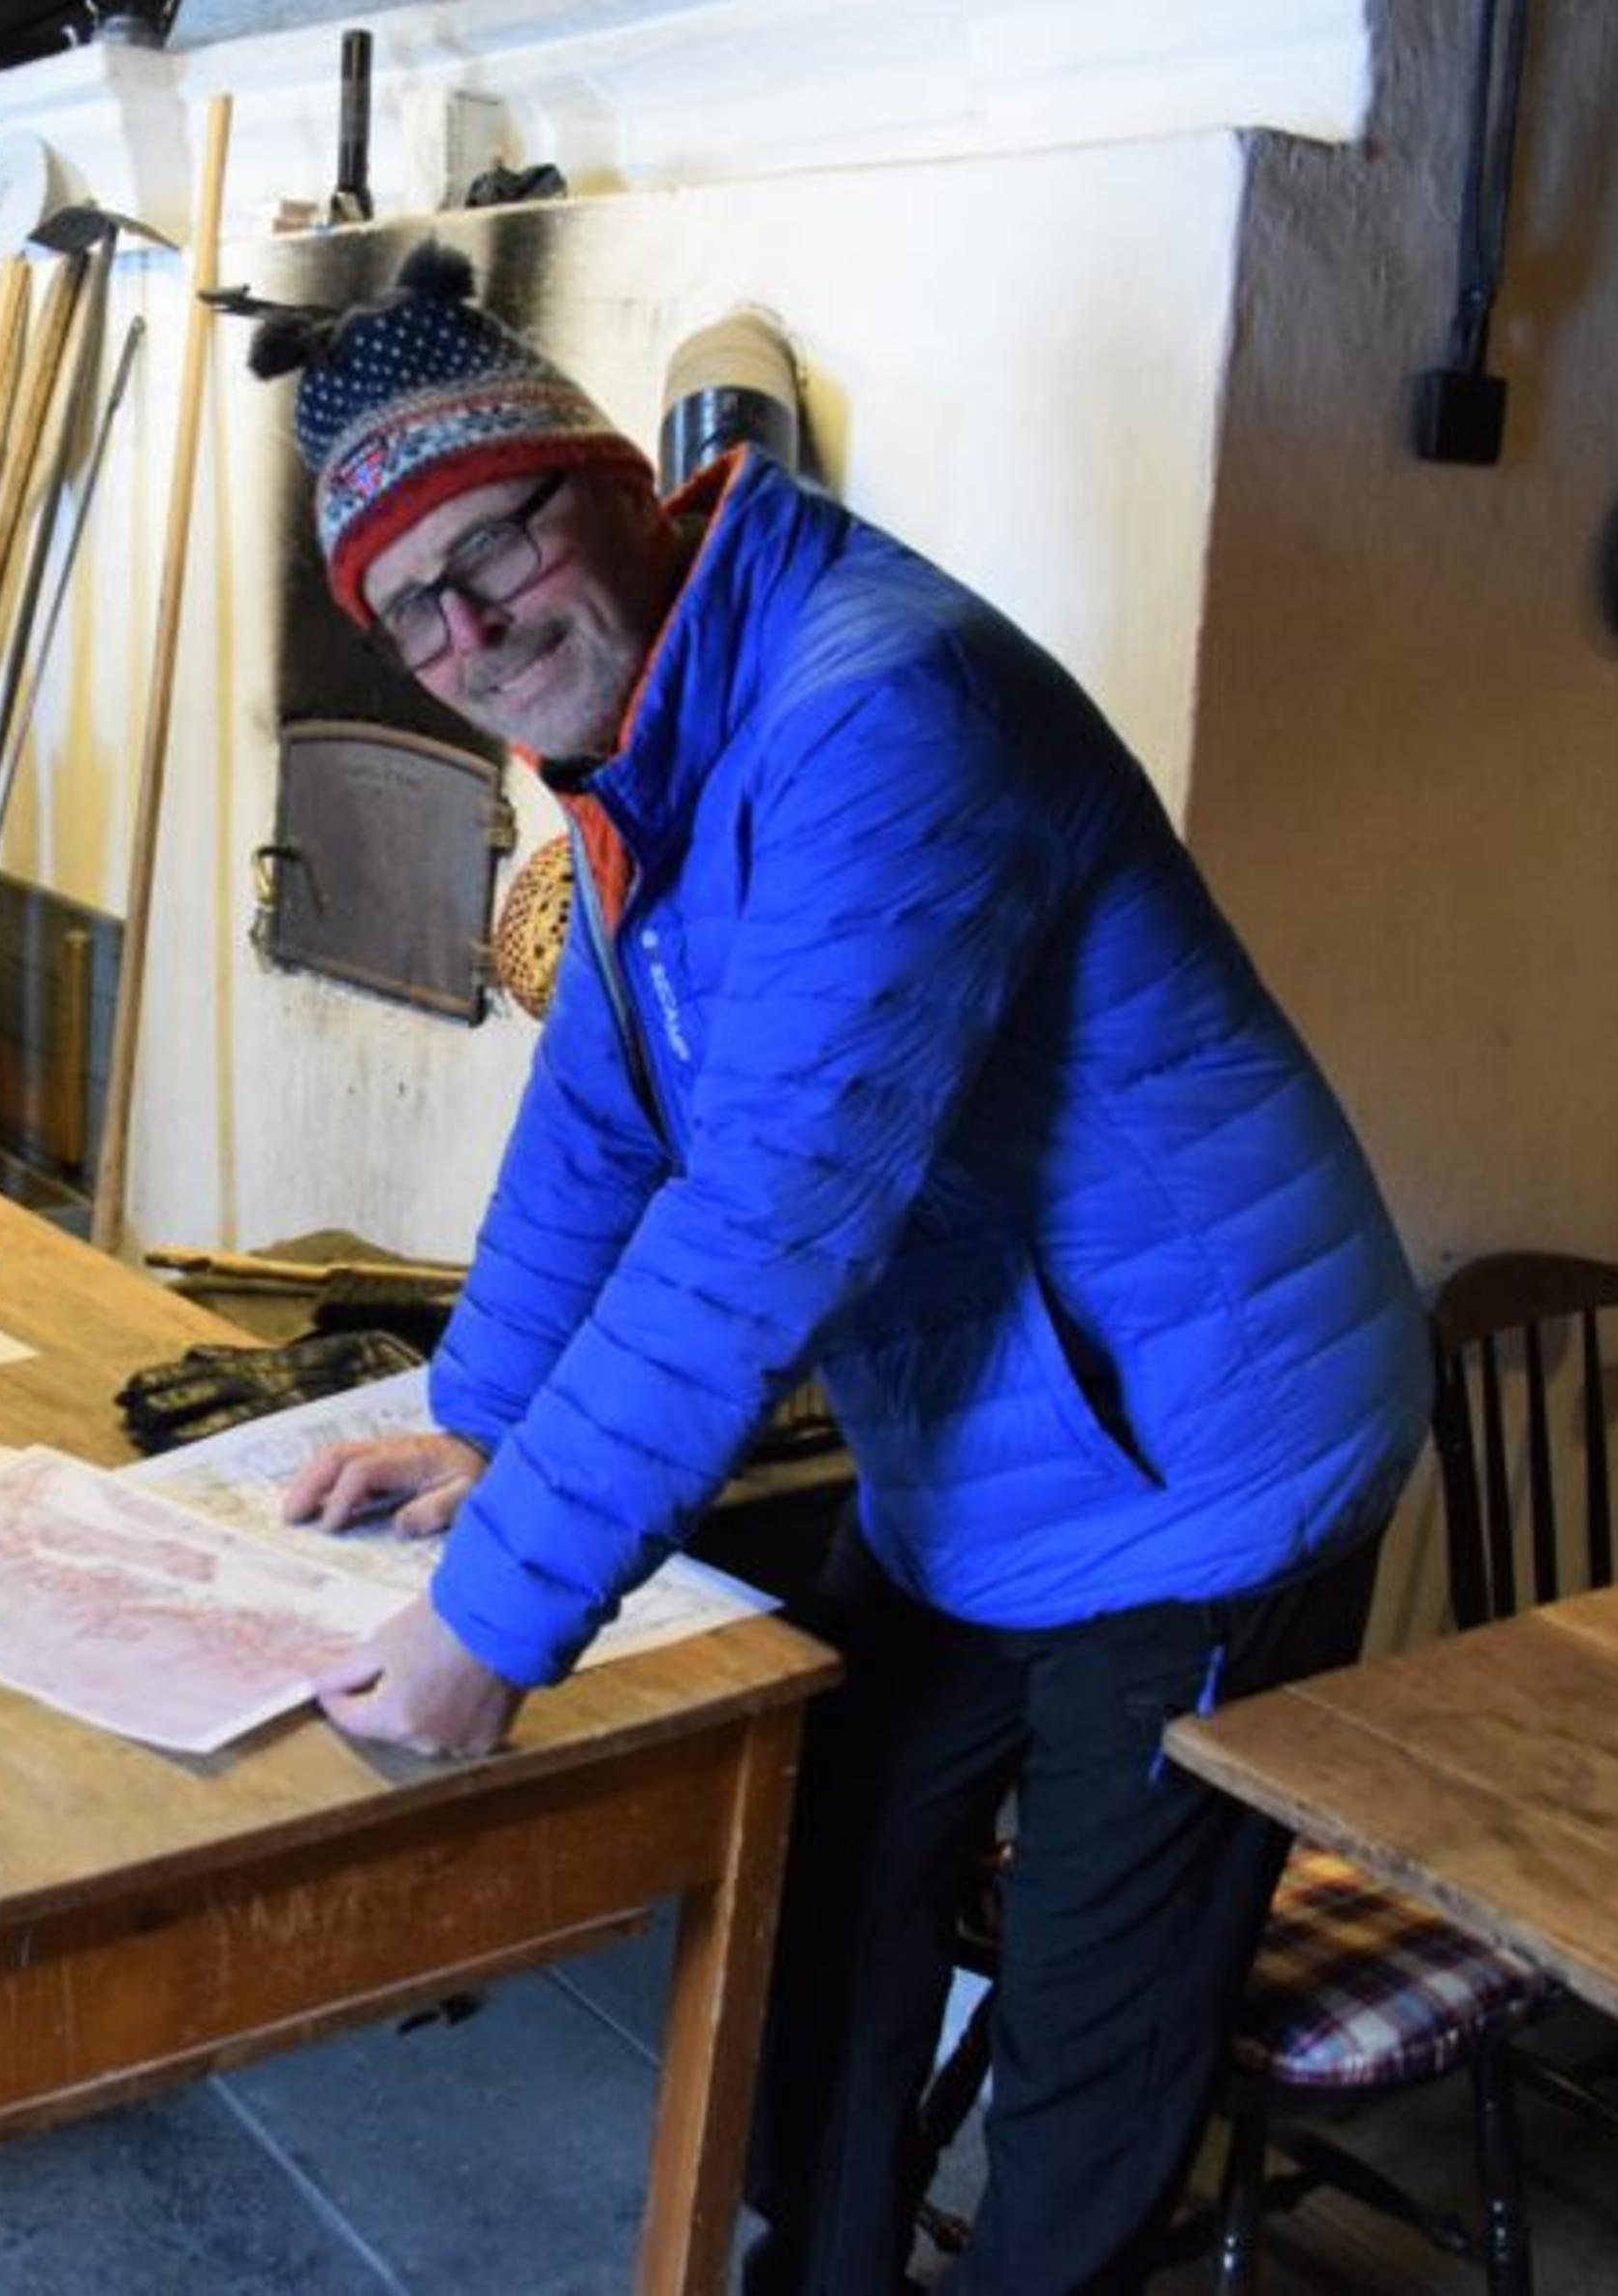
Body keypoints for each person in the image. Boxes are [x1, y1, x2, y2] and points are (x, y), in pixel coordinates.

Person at [259, 244, 1429, 2294]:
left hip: (1201, 1462)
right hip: (987, 1446)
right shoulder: (644, 741)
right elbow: (604, 1114)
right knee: (817, 1905)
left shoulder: (876, 707)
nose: (473, 631)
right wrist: (480, 1424)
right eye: (412, 610)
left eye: (496, 546)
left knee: (1083, 2050)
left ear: (612, 483)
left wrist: (493, 1616)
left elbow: (761, 1221)